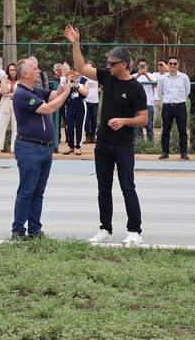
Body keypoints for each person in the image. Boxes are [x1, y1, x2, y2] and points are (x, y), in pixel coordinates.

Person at [66, 25, 147, 247]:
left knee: (127, 187)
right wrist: (75, 42)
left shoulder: (135, 88)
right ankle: (105, 228)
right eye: (107, 63)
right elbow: (81, 67)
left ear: (124, 64)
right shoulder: (106, 76)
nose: (108, 66)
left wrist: (124, 121)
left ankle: (134, 230)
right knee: (104, 187)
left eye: (112, 63)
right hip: (103, 144)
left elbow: (144, 118)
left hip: (123, 145)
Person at [10, 57, 72, 239]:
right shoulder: (22, 94)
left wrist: (64, 78)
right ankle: (18, 229)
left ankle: (35, 229)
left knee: (38, 192)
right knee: (27, 190)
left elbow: (54, 94)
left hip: (43, 149)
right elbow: (48, 108)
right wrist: (66, 93)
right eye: (35, 69)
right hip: (30, 147)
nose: (39, 71)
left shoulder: (35, 90)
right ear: (25, 74)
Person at [158, 57, 191, 159]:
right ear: (167, 64)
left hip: (180, 106)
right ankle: (165, 152)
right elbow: (160, 93)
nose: (172, 65)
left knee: (182, 130)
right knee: (166, 130)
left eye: (175, 63)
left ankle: (183, 152)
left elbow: (187, 91)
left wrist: (180, 99)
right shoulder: (163, 78)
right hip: (167, 106)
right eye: (170, 63)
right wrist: (167, 100)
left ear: (178, 65)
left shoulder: (184, 77)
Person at [61, 69, 90, 156]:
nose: (76, 71)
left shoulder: (85, 81)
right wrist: (69, 82)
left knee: (79, 126)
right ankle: (70, 146)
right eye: (75, 70)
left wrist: (77, 86)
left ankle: (78, 146)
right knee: (69, 125)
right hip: (70, 104)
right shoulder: (69, 80)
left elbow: (85, 93)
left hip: (80, 103)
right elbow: (64, 91)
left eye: (78, 69)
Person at [0, 63, 19, 154]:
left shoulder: (20, 80)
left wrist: (9, 94)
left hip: (16, 104)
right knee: (1, 125)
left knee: (15, 126)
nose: (12, 72)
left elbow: (20, 93)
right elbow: (3, 91)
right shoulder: (4, 79)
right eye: (10, 70)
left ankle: (13, 147)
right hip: (5, 103)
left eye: (14, 70)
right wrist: (4, 79)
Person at [134, 58, 158, 143]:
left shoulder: (151, 76)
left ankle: (150, 143)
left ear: (147, 66)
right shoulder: (134, 76)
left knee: (149, 126)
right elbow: (130, 84)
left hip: (149, 103)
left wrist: (146, 75)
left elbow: (155, 85)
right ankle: (140, 142)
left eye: (144, 65)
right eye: (141, 65)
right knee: (138, 126)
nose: (142, 67)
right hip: (137, 104)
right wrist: (138, 75)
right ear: (137, 66)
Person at [82, 60, 100, 144]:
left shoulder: (96, 77)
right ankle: (88, 136)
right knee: (86, 119)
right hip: (85, 100)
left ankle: (93, 136)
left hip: (94, 101)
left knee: (94, 119)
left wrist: (98, 90)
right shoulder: (83, 78)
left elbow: (102, 86)